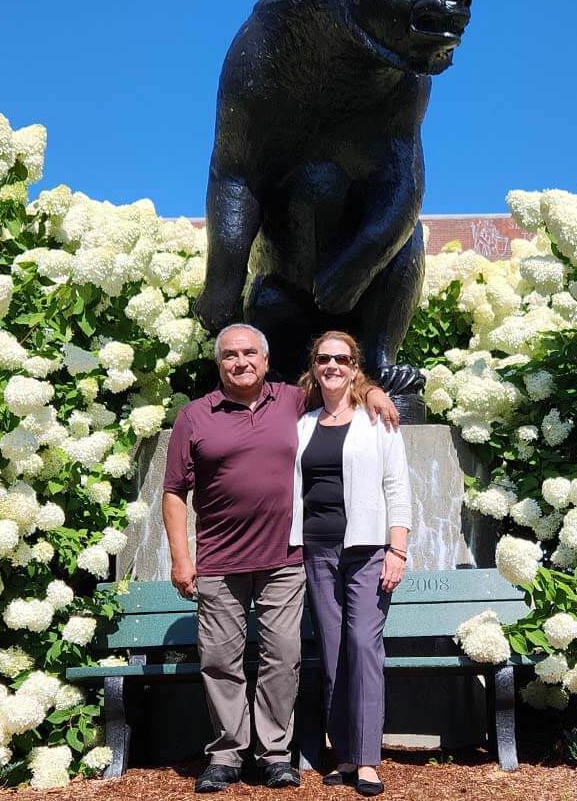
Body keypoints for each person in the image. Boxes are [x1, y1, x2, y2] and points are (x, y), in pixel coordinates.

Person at [162, 324, 399, 794]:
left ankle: (274, 754)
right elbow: (173, 492)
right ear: (219, 363)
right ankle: (227, 755)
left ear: (267, 361)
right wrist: (180, 559)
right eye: (230, 355)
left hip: (286, 558)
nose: (241, 361)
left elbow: (339, 383)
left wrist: (373, 392)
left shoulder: (291, 402)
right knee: (220, 660)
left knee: (283, 658)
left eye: (251, 352)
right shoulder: (194, 416)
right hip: (219, 560)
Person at [290, 331, 411, 797]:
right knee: (335, 650)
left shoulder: (376, 420)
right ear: (314, 366)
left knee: (363, 646)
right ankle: (342, 753)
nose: (332, 366)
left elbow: (397, 487)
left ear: (355, 367)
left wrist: (396, 550)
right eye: (324, 358)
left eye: (342, 359)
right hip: (316, 550)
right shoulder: (303, 423)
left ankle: (367, 761)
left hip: (366, 551)